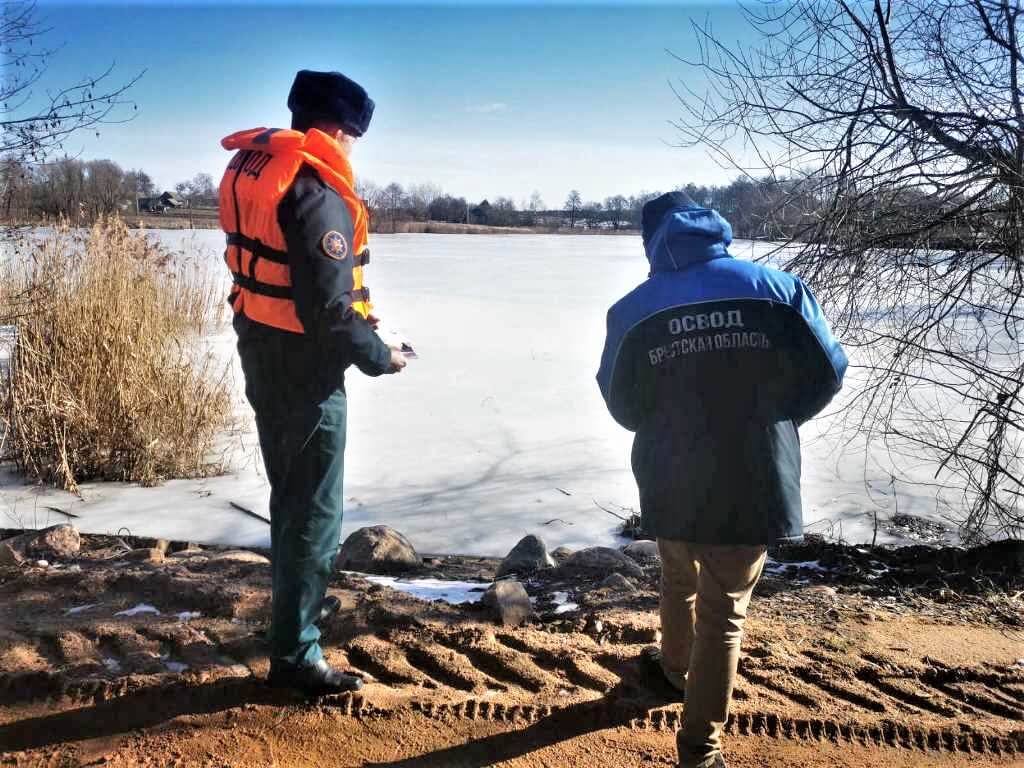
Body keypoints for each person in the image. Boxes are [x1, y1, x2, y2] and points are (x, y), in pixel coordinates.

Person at [596, 191, 847, 768]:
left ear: (651, 242)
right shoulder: (780, 290)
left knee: (678, 573)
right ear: (714, 228)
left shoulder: (634, 309)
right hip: (753, 469)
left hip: (670, 471)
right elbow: (828, 370)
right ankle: (698, 751)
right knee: (723, 611)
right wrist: (776, 418)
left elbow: (620, 401)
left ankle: (675, 673)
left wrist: (669, 428)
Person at [218, 70, 406, 695]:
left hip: (263, 344)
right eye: (354, 135)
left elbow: (304, 291)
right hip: (303, 370)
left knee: (292, 495)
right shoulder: (315, 190)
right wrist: (382, 357)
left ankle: (294, 618)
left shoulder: (266, 169)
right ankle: (296, 656)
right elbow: (329, 313)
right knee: (312, 511)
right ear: (340, 129)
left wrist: (371, 337)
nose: (353, 147)